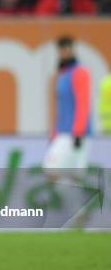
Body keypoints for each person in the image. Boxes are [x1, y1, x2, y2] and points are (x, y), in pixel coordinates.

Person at [43, 36, 91, 179]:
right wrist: (53, 131)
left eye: (67, 49)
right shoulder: (60, 75)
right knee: (68, 174)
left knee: (54, 169)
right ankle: (74, 200)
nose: (64, 52)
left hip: (74, 133)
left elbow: (83, 103)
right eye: (61, 49)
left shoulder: (79, 73)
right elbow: (56, 106)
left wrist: (78, 131)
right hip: (62, 131)